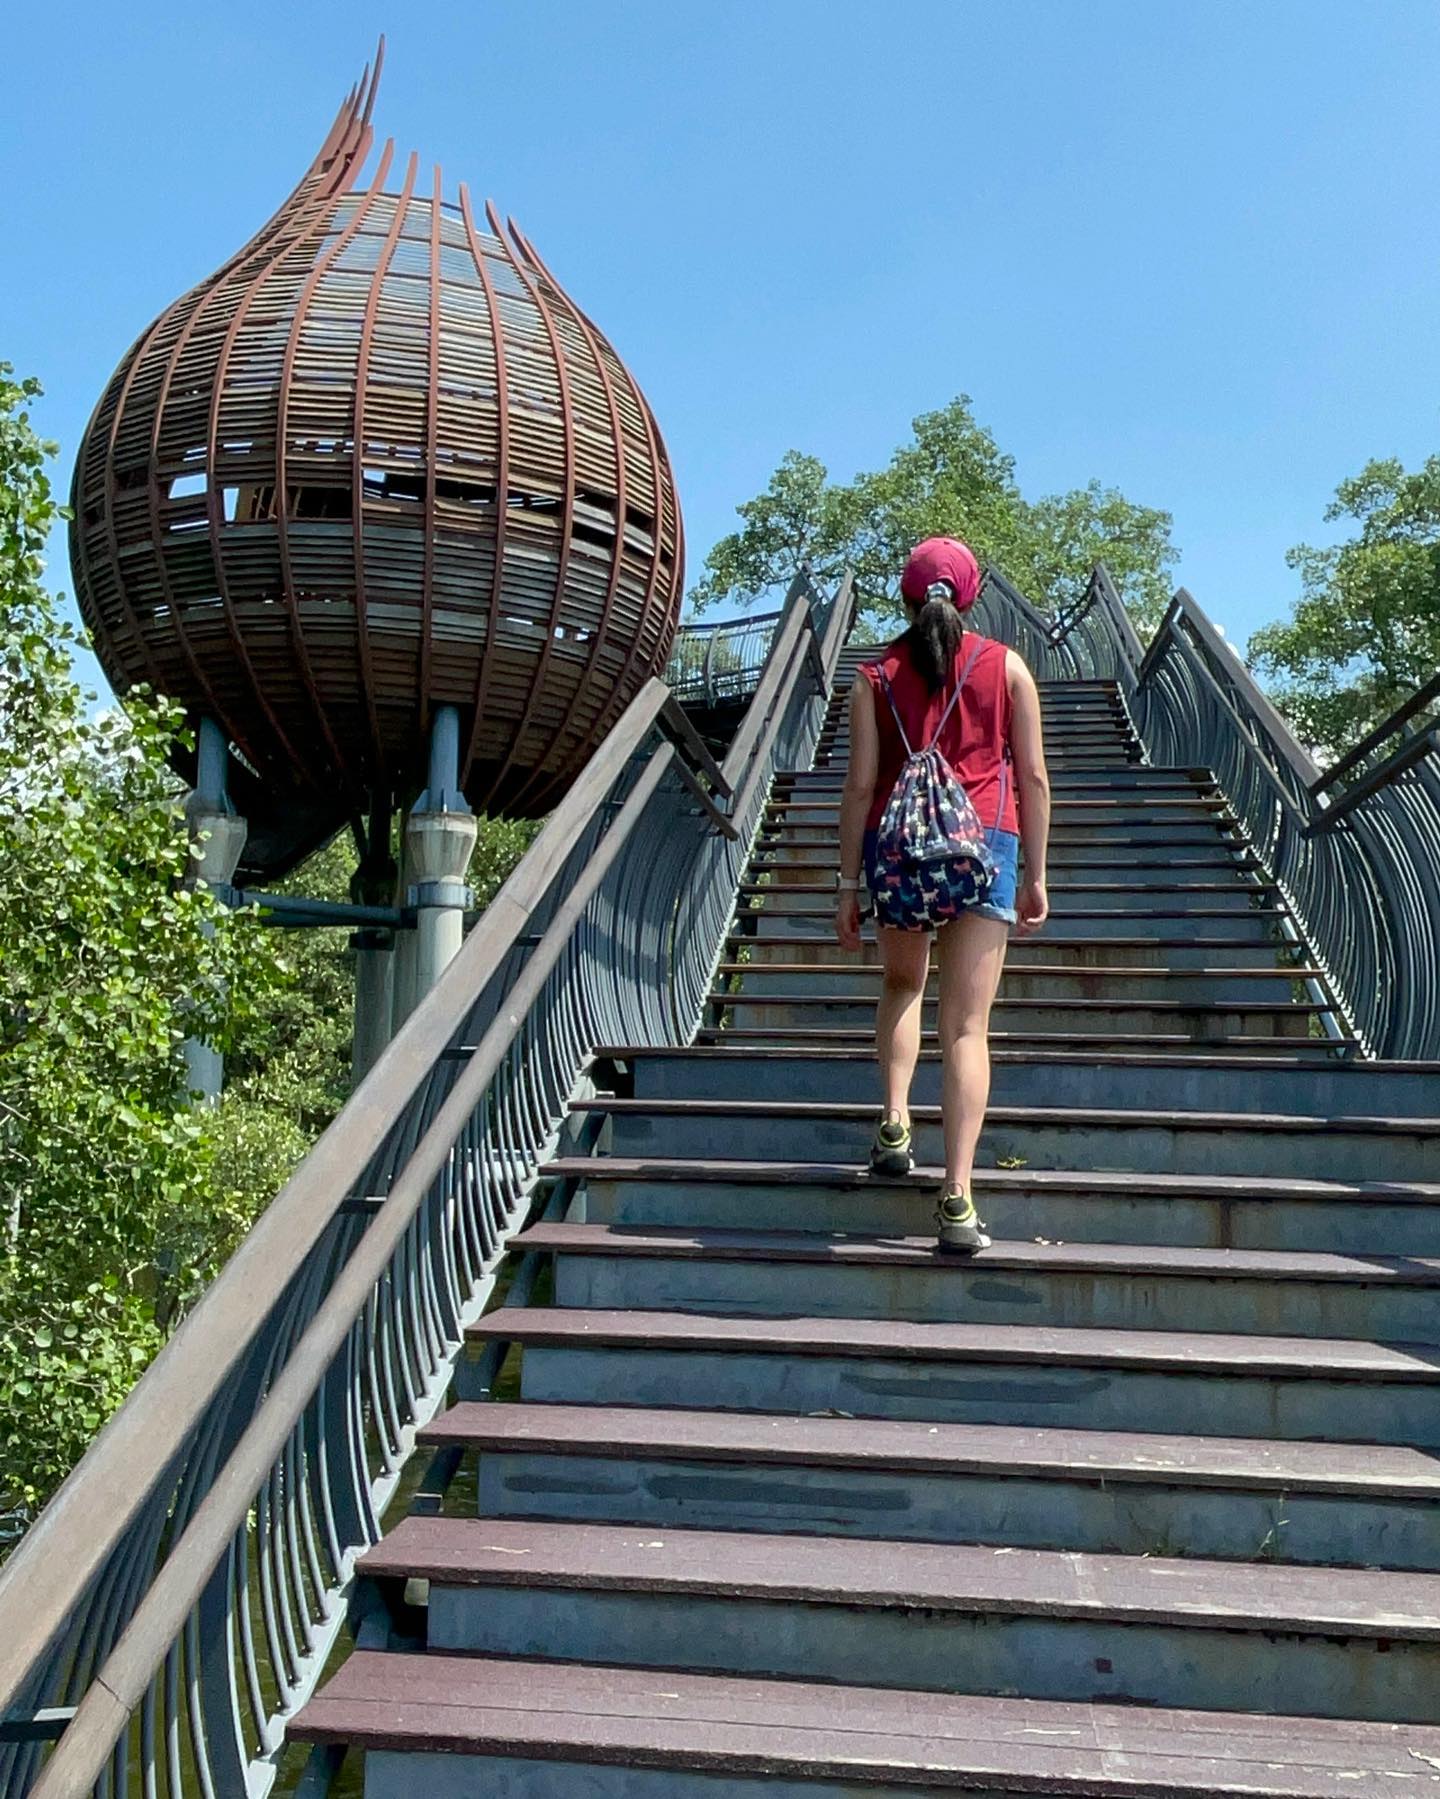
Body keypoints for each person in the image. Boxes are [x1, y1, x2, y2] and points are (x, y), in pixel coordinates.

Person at [834, 537, 1051, 1253]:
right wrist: (1036, 875)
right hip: (984, 847)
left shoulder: (872, 678)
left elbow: (859, 786)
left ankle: (895, 1121)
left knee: (902, 984)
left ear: (906, 597)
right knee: (965, 1028)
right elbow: (1034, 777)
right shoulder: (1007, 667)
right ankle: (957, 1198)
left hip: (898, 849)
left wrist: (846, 885)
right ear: (971, 595)